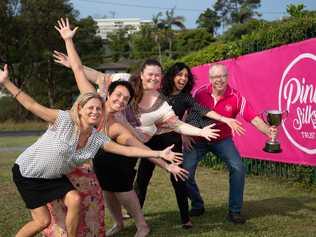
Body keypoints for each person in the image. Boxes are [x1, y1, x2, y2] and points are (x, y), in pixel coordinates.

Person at [0, 69, 180, 237]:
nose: (95, 111)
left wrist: (159, 154)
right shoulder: (64, 120)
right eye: (90, 108)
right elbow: (31, 105)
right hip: (28, 173)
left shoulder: (96, 138)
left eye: (98, 109)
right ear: (80, 108)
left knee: (75, 200)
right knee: (42, 221)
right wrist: (6, 82)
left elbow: (127, 150)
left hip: (53, 176)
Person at [53, 18, 188, 237]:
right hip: (101, 155)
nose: (120, 101)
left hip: (120, 156)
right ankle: (119, 223)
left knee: (123, 191)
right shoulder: (92, 102)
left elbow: (140, 149)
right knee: (107, 190)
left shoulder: (117, 126)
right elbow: (78, 69)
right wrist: (68, 40)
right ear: (109, 93)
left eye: (125, 99)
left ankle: (142, 224)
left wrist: (166, 166)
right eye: (118, 96)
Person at [133, 62, 245, 229]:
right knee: (142, 178)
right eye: (180, 75)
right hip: (152, 142)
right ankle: (136, 212)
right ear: (171, 76)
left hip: (173, 142)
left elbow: (201, 109)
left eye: (186, 76)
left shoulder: (185, 97)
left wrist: (224, 119)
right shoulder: (158, 92)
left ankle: (185, 218)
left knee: (179, 178)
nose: (183, 79)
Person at [183, 63, 277, 224]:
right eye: (214, 77)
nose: (218, 80)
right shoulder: (199, 93)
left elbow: (253, 118)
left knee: (238, 167)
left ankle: (235, 211)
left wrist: (269, 131)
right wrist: (185, 134)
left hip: (222, 140)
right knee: (184, 172)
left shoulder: (236, 97)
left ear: (228, 77)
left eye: (222, 76)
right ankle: (197, 204)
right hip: (198, 139)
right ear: (210, 79)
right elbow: (187, 113)